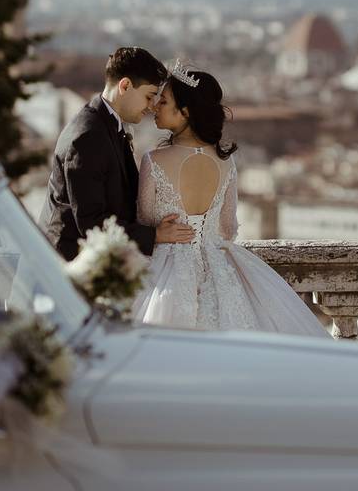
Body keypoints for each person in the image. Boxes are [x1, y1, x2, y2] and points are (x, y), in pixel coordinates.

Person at [132, 62, 328, 337]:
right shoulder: (226, 164)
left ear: (185, 112)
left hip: (166, 271)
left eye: (163, 101)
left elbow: (145, 220)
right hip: (219, 267)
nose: (155, 106)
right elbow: (228, 229)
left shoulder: (153, 161)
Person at [41, 47, 194, 261]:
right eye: (149, 96)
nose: (152, 107)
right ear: (125, 86)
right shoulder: (88, 137)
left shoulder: (106, 123)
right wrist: (154, 235)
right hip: (67, 265)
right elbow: (91, 222)